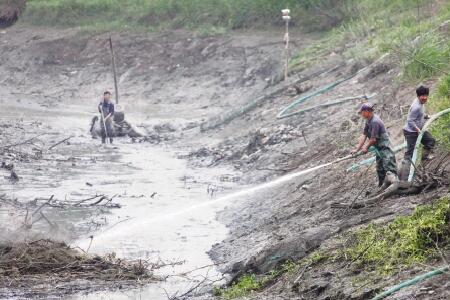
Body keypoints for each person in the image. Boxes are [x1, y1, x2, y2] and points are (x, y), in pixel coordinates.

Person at [351, 103, 398, 189]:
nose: (361, 114)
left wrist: (366, 148)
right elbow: (364, 135)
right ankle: (382, 187)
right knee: (380, 168)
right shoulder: (368, 120)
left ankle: (395, 186)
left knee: (389, 167)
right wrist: (357, 149)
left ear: (366, 111)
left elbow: (373, 139)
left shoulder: (375, 121)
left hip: (384, 147)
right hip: (378, 148)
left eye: (362, 112)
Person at [403, 85, 435, 161]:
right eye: (423, 96)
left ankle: (424, 158)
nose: (425, 97)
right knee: (410, 153)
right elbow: (410, 121)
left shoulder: (420, 102)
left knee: (430, 140)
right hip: (411, 132)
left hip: (418, 130)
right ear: (418, 96)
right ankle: (406, 170)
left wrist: (426, 116)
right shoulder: (416, 106)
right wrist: (417, 129)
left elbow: (419, 114)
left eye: (426, 95)